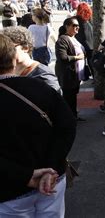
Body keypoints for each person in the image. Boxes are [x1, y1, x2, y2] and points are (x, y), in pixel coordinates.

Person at [0, 33, 76, 216]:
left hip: (9, 190)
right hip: (52, 178)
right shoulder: (40, 87)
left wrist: (24, 176)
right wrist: (51, 167)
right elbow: (67, 126)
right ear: (13, 58)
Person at [1, 26, 60, 93]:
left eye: (9, 48)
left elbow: (54, 101)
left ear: (25, 48)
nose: (4, 52)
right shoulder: (6, 74)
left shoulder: (44, 76)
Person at [55, 17, 87, 121]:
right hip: (67, 74)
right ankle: (68, 119)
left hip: (75, 74)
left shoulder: (74, 38)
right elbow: (63, 57)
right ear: (67, 26)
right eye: (74, 25)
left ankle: (73, 116)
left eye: (78, 25)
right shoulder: (63, 39)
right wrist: (78, 57)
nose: (77, 27)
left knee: (73, 96)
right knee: (68, 97)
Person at [75, 2, 94, 77]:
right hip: (90, 43)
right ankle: (94, 76)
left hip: (80, 43)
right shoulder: (90, 17)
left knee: (80, 60)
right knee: (90, 61)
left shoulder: (76, 19)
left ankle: (81, 75)